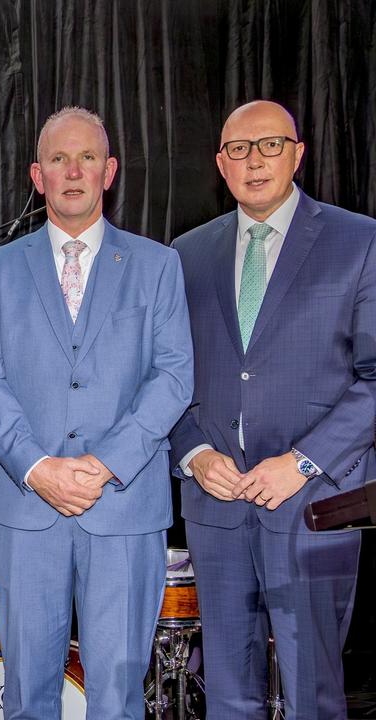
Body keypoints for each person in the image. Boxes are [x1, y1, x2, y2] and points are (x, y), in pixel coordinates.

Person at [0, 106, 193, 719]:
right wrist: (37, 467)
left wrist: (105, 463)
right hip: (24, 504)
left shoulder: (157, 266)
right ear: (36, 176)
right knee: (26, 696)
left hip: (122, 504)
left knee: (118, 697)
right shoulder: (0, 269)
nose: (74, 171)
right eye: (59, 159)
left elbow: (173, 376)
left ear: (109, 171)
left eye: (87, 157)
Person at [169, 100, 376, 720]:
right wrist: (195, 453)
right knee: (229, 694)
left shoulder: (358, 240)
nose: (254, 160)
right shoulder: (186, 253)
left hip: (315, 503)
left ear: (298, 153)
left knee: (313, 689)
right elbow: (166, 379)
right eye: (238, 149)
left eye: (270, 145)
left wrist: (304, 462)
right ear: (220, 165)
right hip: (217, 503)